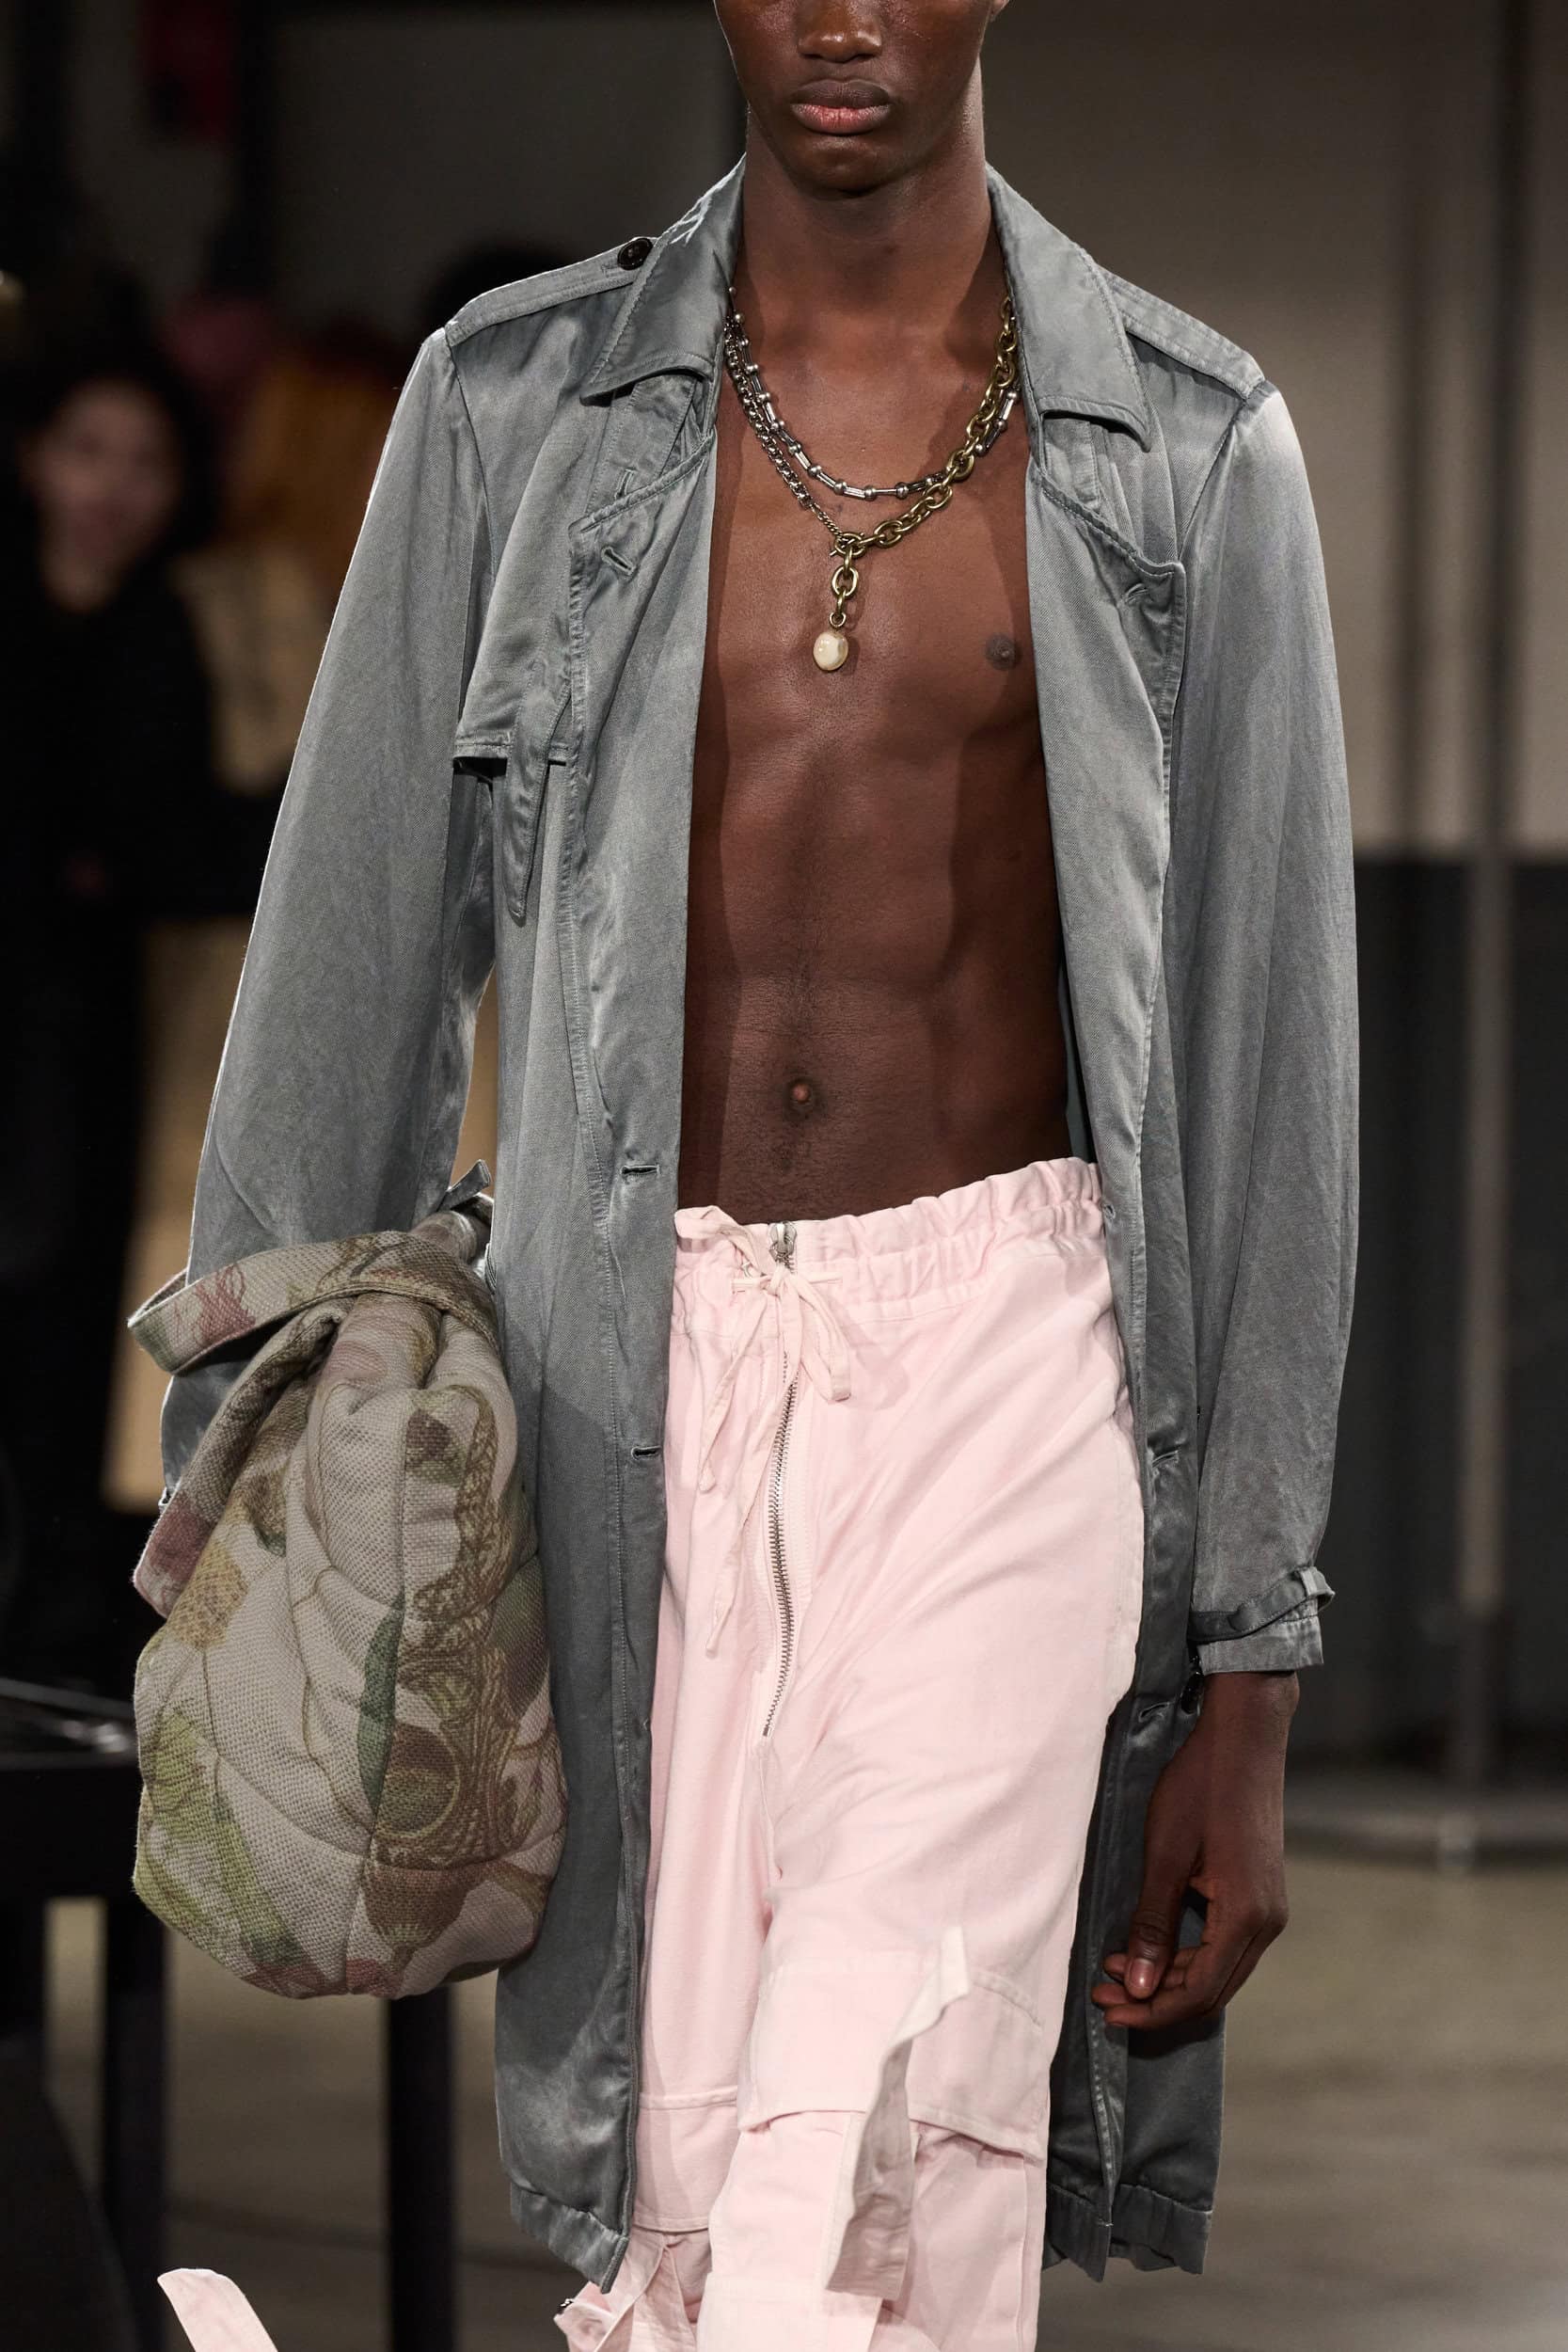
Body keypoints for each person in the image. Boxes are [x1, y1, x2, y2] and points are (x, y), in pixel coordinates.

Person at [154, 2, 1357, 2345]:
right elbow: (352, 952)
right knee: (683, 2178)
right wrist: (260, 1514)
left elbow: (1270, 1072)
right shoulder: (510, 413)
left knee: (880, 2122)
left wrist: (1253, 1672)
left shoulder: (1190, 450)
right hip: (627, 1373)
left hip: (1011, 1362)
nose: (843, 13)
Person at [0, 342, 225, 1689]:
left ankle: (48, 1632)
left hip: (82, 1038)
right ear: (35, 457)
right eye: (89, 450)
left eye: (147, 461)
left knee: (66, 1322)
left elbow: (171, 845)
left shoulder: (162, 634)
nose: (113, 486)